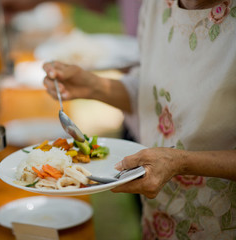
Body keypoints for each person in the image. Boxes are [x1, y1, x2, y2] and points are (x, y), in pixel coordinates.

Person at [43, 0, 236, 238]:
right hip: (161, 220)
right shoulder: (155, 5)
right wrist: (94, 86)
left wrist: (182, 162)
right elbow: (153, 93)